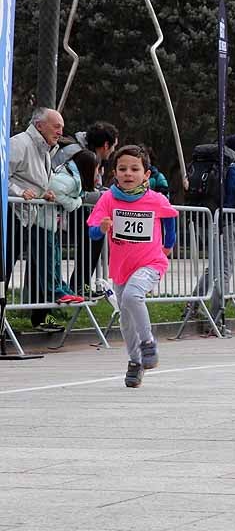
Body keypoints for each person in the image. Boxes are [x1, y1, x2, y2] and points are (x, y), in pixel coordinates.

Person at [87, 145, 178, 387]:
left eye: (135, 169)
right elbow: (93, 231)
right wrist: (101, 228)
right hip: (121, 267)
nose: (128, 173)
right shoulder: (108, 199)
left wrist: (168, 246)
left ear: (146, 174)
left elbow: (170, 219)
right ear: (114, 173)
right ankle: (135, 361)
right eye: (123, 169)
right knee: (125, 321)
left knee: (132, 295)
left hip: (150, 262)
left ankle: (148, 342)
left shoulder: (156, 199)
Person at [183, 134, 235, 326]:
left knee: (214, 268)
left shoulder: (212, 164)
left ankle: (192, 306)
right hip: (227, 224)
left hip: (206, 222)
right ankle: (217, 318)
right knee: (224, 270)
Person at [7, 107, 63, 331]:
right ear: (39, 125)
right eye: (56, 126)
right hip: (13, 214)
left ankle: (42, 318)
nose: (60, 132)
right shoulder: (20, 143)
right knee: (4, 269)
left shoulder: (44, 149)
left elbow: (35, 181)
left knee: (43, 267)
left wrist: (44, 193)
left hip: (31, 217)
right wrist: (18, 192)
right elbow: (4, 175)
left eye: (61, 127)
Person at [53, 122, 119, 296]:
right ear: (106, 145)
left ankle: (80, 286)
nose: (112, 152)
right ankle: (78, 287)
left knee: (91, 239)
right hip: (62, 206)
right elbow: (80, 189)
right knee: (90, 239)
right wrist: (106, 197)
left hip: (68, 206)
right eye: (113, 147)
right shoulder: (79, 153)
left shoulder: (81, 150)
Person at [45, 148, 98, 305]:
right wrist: (77, 202)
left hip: (51, 222)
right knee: (49, 259)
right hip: (43, 221)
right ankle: (55, 291)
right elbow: (55, 190)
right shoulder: (68, 179)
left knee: (55, 258)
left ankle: (61, 288)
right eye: (96, 169)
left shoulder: (72, 177)